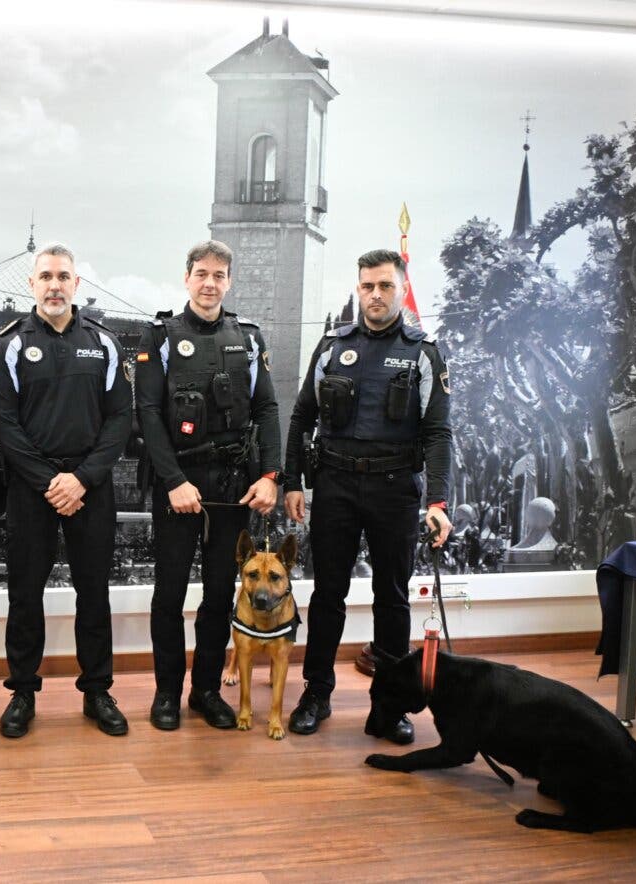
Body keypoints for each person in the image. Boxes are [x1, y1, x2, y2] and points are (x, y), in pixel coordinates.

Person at [283, 249, 452, 744]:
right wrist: (294, 482)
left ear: (401, 289)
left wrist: (437, 503)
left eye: (384, 286)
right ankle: (316, 693)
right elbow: (301, 418)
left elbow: (439, 432)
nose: (374, 295)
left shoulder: (424, 352)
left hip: (395, 489)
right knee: (328, 593)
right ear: (358, 290)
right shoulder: (332, 347)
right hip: (334, 485)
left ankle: (389, 707)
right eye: (366, 286)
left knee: (392, 598)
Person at [0, 243, 132, 737]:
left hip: (90, 487)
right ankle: (22, 692)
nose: (54, 285)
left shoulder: (104, 344)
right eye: (45, 276)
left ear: (76, 284)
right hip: (32, 490)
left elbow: (119, 420)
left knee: (94, 592)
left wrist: (82, 478)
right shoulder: (7, 345)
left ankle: (97, 691)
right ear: (31, 284)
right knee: (25, 594)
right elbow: (3, 425)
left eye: (63, 276)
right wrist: (50, 481)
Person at [134, 240, 280, 731]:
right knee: (169, 594)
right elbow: (148, 414)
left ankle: (207, 691)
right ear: (187, 277)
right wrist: (173, 480)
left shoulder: (251, 339)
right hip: (178, 483)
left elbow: (267, 410)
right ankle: (167, 694)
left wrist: (270, 475)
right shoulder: (160, 336)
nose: (210, 282)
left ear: (229, 281)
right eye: (201, 273)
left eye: (219, 275)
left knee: (219, 594)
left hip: (234, 486)